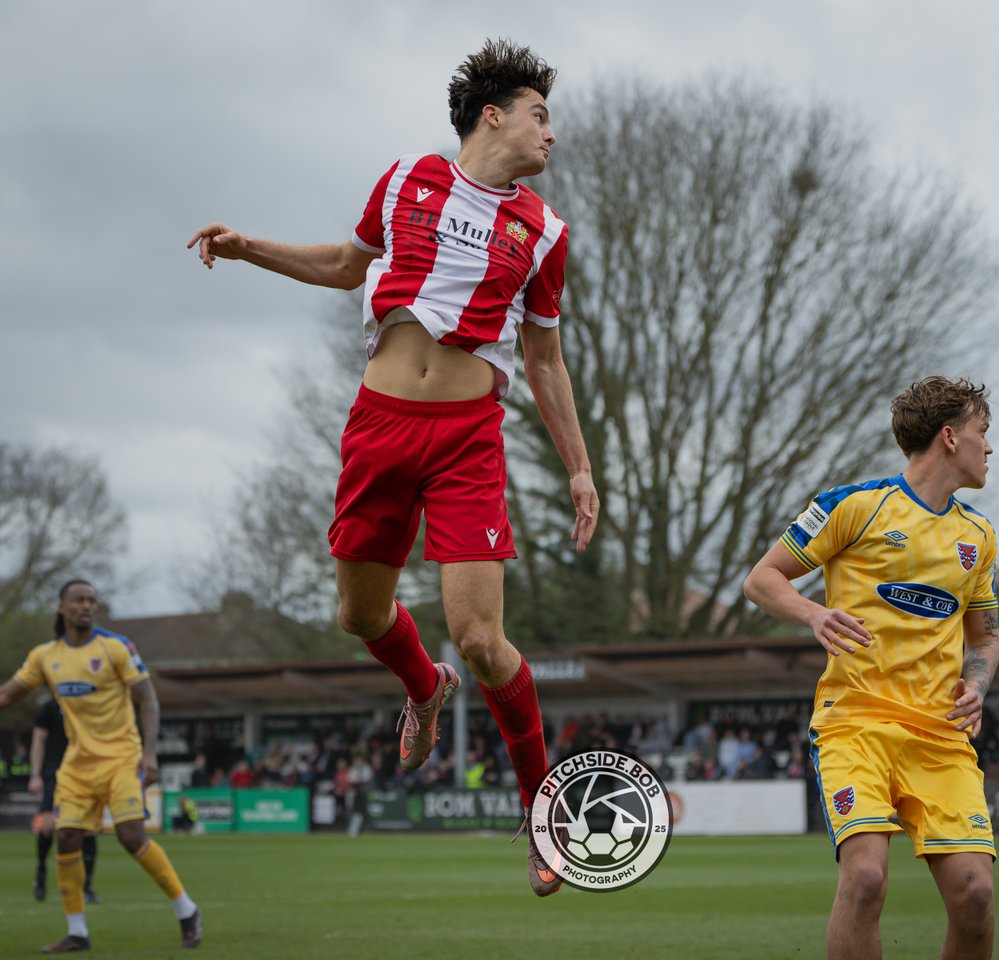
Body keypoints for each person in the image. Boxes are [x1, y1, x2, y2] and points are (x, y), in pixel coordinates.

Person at [187, 38, 596, 897]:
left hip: (467, 438)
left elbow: (547, 362)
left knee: (483, 639)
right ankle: (422, 683)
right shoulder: (407, 176)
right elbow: (346, 266)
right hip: (378, 425)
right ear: (495, 114)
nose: (551, 133)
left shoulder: (545, 232)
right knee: (356, 615)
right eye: (540, 114)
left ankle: (543, 815)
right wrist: (247, 245)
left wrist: (581, 471)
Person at [744, 376, 999, 960]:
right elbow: (762, 579)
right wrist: (812, 613)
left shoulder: (979, 536)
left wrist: (978, 686)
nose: (990, 447)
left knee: (976, 894)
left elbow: (984, 636)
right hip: (853, 723)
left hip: (940, 735)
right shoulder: (852, 506)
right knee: (865, 879)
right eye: (983, 432)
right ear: (950, 437)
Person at [0, 579, 202, 952]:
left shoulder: (115, 648)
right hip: (76, 766)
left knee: (131, 836)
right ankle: (77, 932)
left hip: (122, 758)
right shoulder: (46, 656)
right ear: (62, 607)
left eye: (92, 600)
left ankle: (187, 910)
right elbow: (8, 694)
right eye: (78, 600)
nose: (87, 606)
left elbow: (149, 700)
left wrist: (150, 753)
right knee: (66, 836)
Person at [29, 698, 101, 904]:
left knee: (88, 830)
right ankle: (41, 872)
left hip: (85, 772)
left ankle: (87, 886)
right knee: (49, 826)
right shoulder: (51, 706)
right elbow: (39, 739)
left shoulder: (90, 704)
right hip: (56, 772)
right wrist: (36, 774)